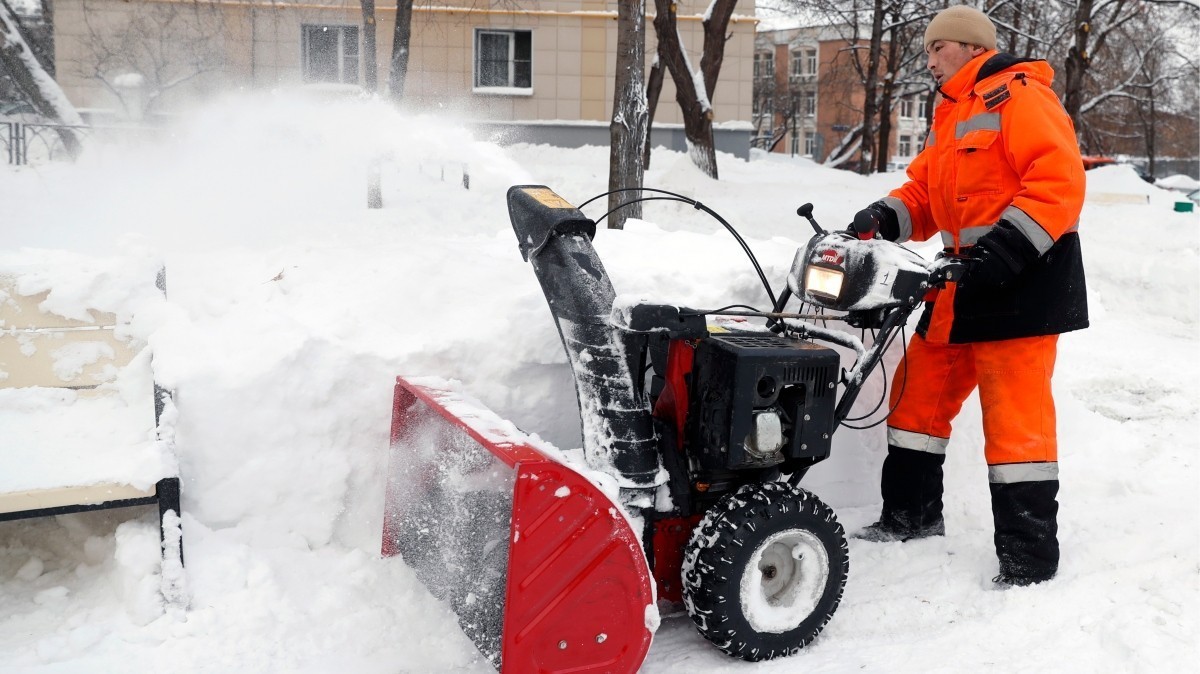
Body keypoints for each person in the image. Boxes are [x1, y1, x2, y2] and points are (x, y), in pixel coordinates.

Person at [848, 5, 1087, 588]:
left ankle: (1029, 559)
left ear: (971, 48)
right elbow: (926, 194)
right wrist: (886, 215)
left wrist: (1006, 249)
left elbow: (1059, 180)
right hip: (960, 284)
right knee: (916, 402)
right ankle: (910, 517)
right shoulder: (953, 114)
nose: (929, 61)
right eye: (928, 51)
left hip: (1021, 284)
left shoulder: (1020, 97)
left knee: (1016, 425)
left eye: (937, 49)